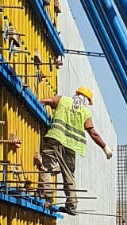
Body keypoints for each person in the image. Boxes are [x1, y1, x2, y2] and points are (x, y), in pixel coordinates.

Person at [38, 85, 112, 214]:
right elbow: (93, 133)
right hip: (71, 147)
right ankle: (71, 205)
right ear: (87, 102)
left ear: (76, 94)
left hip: (55, 139)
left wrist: (38, 109)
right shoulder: (85, 113)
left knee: (47, 167)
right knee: (69, 175)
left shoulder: (64, 100)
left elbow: (46, 100)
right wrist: (105, 147)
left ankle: (47, 197)